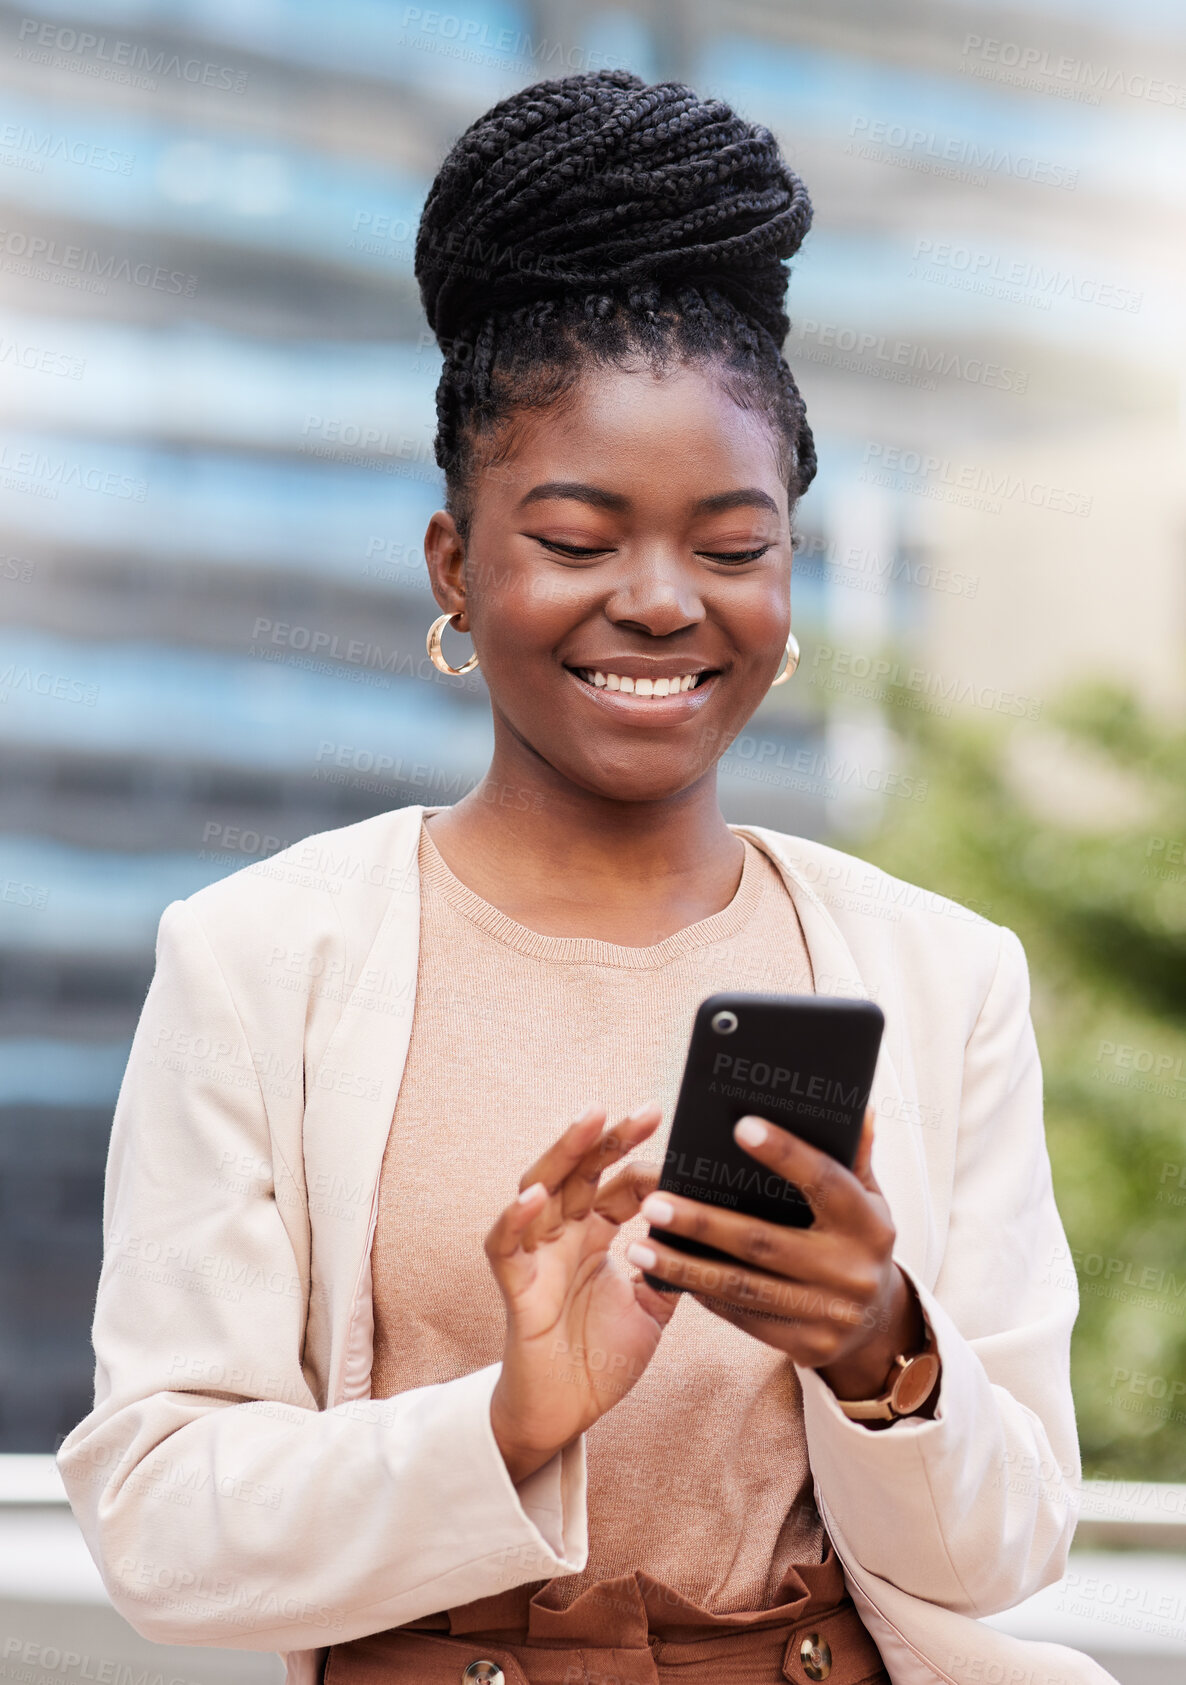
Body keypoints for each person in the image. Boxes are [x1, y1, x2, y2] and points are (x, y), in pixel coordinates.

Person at [58, 69, 1118, 1685]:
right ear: (454, 566)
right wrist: (508, 1415)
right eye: (573, 536)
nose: (659, 599)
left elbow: (1001, 1548)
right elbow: (160, 1528)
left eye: (730, 544)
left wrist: (877, 1350)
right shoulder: (262, 958)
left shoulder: (936, 974)